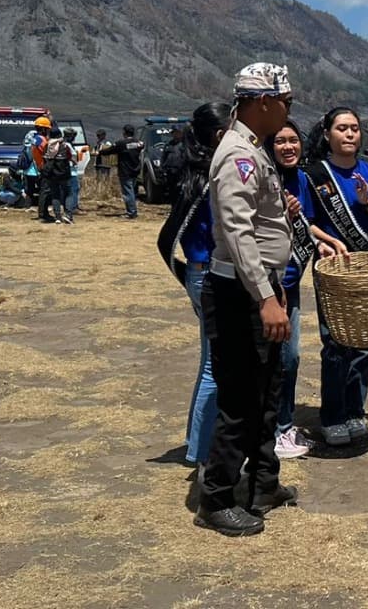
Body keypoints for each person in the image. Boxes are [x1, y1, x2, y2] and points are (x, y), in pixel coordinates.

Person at [194, 63, 297, 537]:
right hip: (240, 291)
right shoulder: (237, 154)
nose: (288, 111)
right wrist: (264, 297)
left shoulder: (253, 151)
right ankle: (216, 498)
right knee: (239, 396)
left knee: (267, 391)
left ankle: (261, 482)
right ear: (263, 102)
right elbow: (237, 233)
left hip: (260, 286)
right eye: (285, 102)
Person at [305, 107, 368, 447]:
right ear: (327, 133)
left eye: (355, 129)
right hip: (331, 269)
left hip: (366, 269)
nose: (349, 134)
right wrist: (326, 240)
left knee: (364, 342)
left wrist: (367, 202)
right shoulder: (313, 175)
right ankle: (332, 415)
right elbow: (307, 221)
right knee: (334, 344)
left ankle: (356, 411)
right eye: (342, 128)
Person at [268, 119, 346, 457]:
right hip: (267, 285)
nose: (289, 147)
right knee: (278, 359)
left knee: (291, 358)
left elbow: (306, 224)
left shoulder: (300, 178)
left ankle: (284, 426)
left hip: (291, 282)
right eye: (280, 141)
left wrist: (321, 244)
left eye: (293, 140)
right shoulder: (264, 178)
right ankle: (273, 429)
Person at [157, 102, 229, 468]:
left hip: (200, 272)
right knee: (215, 368)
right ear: (220, 135)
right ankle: (201, 452)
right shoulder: (214, 176)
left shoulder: (192, 173)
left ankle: (196, 440)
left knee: (210, 363)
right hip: (213, 274)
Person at [99, 124, 145, 219]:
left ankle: (131, 212)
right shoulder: (139, 143)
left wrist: (100, 152)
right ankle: (132, 210)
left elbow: (110, 150)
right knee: (132, 190)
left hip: (125, 171)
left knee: (128, 192)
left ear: (124, 132)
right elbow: (141, 146)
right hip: (135, 170)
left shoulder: (121, 143)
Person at [41, 128, 76, 225]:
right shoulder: (64, 145)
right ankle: (68, 215)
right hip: (64, 173)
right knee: (68, 193)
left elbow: (44, 157)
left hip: (52, 174)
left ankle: (57, 217)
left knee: (55, 194)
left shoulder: (47, 145)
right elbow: (70, 157)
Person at [23, 117, 51, 220]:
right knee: (44, 191)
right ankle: (43, 213)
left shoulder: (31, 138)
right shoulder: (41, 140)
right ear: (43, 129)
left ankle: (31, 207)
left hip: (31, 168)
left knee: (30, 190)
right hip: (40, 169)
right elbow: (46, 153)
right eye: (47, 129)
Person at [162, 126, 188, 203]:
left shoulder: (184, 145)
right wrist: (162, 168)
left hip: (180, 172)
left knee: (179, 191)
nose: (175, 135)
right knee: (171, 191)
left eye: (177, 133)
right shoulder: (168, 144)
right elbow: (164, 157)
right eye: (174, 133)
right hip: (170, 171)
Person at [63, 128, 82, 218]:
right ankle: (73, 207)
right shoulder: (67, 145)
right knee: (73, 189)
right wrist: (74, 161)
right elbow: (70, 156)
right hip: (71, 171)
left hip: (70, 170)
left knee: (73, 189)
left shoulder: (66, 144)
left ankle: (72, 206)